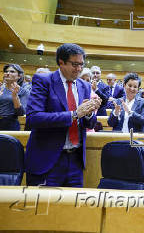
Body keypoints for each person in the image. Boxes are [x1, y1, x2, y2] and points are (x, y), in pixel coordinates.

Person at [25, 43, 101, 187]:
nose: (79, 69)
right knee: (44, 208)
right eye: (74, 64)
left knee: (73, 208)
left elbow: (88, 124)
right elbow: (33, 118)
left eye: (81, 64)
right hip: (48, 159)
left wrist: (89, 113)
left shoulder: (84, 86)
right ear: (61, 62)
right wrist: (74, 114)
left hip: (75, 160)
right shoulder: (44, 81)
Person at [0, 64, 29, 130]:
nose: (7, 73)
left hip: (10, 124)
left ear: (19, 76)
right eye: (6, 71)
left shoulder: (23, 91)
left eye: (12, 71)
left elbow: (21, 113)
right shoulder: (0, 89)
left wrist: (15, 97)